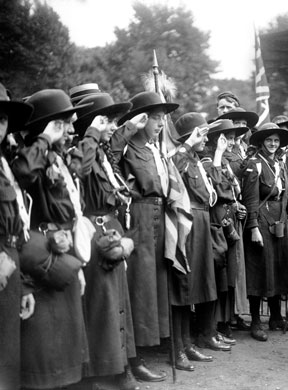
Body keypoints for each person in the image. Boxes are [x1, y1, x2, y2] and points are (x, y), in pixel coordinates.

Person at [11, 89, 90, 389]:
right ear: (48, 125)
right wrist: (44, 138)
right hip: (40, 254)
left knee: (66, 339)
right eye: (63, 124)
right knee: (44, 343)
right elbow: (24, 173)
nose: (71, 130)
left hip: (64, 250)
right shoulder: (31, 155)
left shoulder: (57, 156)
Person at [73, 92, 144, 389]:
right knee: (100, 305)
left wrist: (127, 127)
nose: (112, 126)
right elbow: (82, 169)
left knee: (118, 303)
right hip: (94, 231)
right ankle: (97, 373)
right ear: (93, 124)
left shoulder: (103, 151)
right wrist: (91, 132)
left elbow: (113, 147)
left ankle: (120, 366)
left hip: (112, 226)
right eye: (107, 120)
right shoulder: (83, 149)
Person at [111, 91, 180, 380]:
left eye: (163, 118)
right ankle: (133, 357)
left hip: (159, 219)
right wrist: (129, 130)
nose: (161, 123)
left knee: (154, 285)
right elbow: (110, 161)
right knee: (138, 287)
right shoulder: (127, 148)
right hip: (136, 218)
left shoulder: (156, 149)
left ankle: (153, 346)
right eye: (155, 117)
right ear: (141, 119)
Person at [241, 122, 288, 342]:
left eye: (276, 141)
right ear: (261, 142)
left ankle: (276, 317)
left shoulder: (280, 164)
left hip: (279, 220)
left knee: (278, 268)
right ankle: (254, 321)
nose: (272, 144)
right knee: (259, 270)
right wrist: (253, 227)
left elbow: (286, 195)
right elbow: (250, 199)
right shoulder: (254, 164)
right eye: (269, 140)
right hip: (261, 221)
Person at [173, 112, 231, 371]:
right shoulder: (182, 157)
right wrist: (186, 145)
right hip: (188, 224)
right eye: (201, 133)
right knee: (184, 287)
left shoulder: (197, 160)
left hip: (203, 222)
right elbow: (172, 168)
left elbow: (217, 191)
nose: (205, 137)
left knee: (198, 284)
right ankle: (180, 347)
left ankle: (191, 342)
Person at [199, 119, 249, 341]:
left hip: (228, 222)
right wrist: (218, 154)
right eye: (225, 138)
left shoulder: (223, 162)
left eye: (231, 138)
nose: (230, 142)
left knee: (227, 276)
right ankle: (211, 328)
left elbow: (232, 192)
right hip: (216, 224)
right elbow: (219, 190)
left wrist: (237, 205)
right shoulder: (209, 161)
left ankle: (222, 325)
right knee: (216, 276)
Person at [0, 82, 35, 390]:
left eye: (2, 119)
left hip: (10, 265)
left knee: (9, 355)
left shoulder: (4, 165)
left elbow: (17, 227)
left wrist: (23, 285)